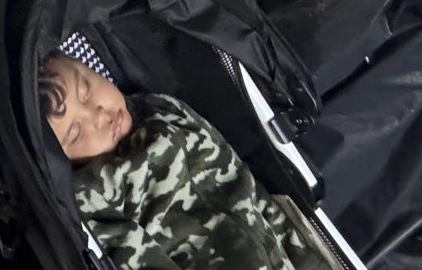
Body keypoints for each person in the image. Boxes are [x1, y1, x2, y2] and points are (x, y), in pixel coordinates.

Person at [40, 47, 328, 270]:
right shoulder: (90, 196)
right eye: (76, 133)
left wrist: (306, 256)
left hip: (272, 243)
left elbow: (242, 181)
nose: (98, 115)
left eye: (87, 92)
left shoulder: (160, 107)